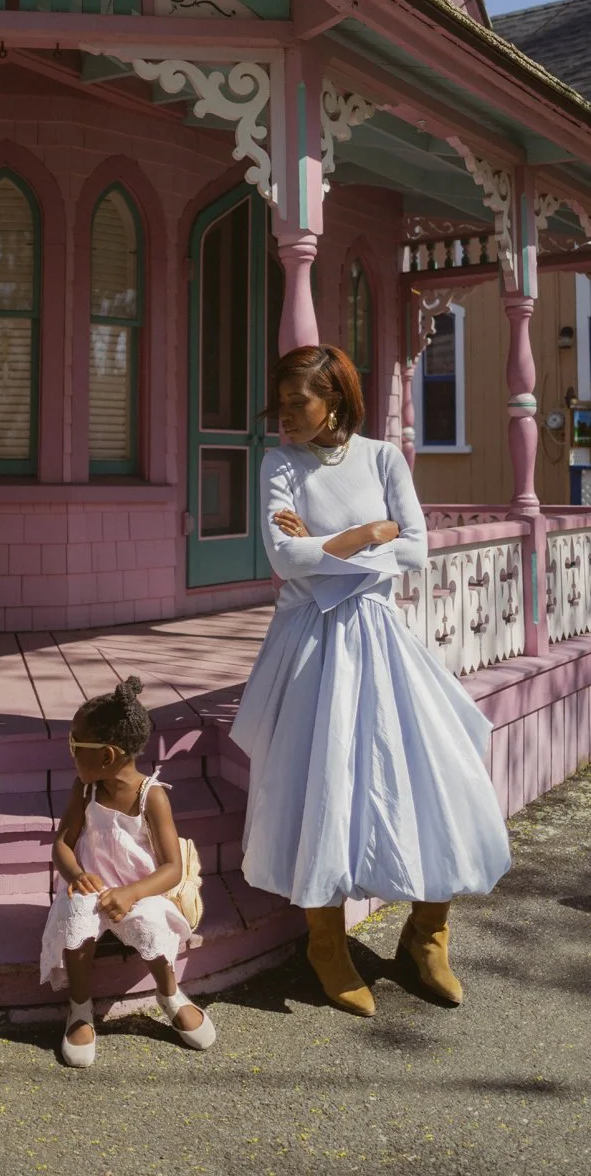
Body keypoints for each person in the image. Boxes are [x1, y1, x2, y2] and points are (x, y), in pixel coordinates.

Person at [231, 345, 510, 1017]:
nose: (284, 415)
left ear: (335, 399)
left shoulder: (384, 458)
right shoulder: (279, 464)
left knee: (438, 773)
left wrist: (326, 546)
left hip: (381, 637)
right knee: (318, 782)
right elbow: (283, 557)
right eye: (281, 403)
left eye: (297, 402)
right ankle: (325, 945)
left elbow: (414, 549)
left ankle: (427, 935)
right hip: (310, 643)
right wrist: (365, 534)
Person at [40, 676, 216, 1066]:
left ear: (106, 756)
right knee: (76, 913)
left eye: (75, 746)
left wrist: (131, 893)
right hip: (92, 888)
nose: (70, 754)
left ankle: (169, 994)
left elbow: (172, 868)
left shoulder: (152, 796)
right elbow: (62, 844)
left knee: (152, 921)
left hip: (140, 890)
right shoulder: (84, 790)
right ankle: (80, 1007)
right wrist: (76, 875)